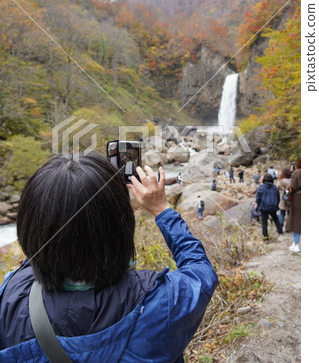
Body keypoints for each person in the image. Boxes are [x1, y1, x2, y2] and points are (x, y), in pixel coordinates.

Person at [0, 153, 218, 362]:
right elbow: (200, 270)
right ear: (122, 226)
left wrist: (92, 191)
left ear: (27, 226)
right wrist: (161, 210)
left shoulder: (9, 297)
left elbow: (47, 243)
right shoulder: (159, 301)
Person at [255, 173, 283, 241]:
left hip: (264, 207)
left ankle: (266, 238)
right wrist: (276, 205)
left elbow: (258, 197)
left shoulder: (261, 187)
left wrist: (257, 204)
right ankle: (280, 232)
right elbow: (278, 197)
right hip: (273, 206)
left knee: (264, 222)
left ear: (264, 179)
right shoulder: (274, 187)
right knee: (275, 219)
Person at [286, 156, 301, 252]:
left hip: (299, 199)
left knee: (297, 221)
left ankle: (296, 244)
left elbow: (293, 187)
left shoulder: (298, 172)